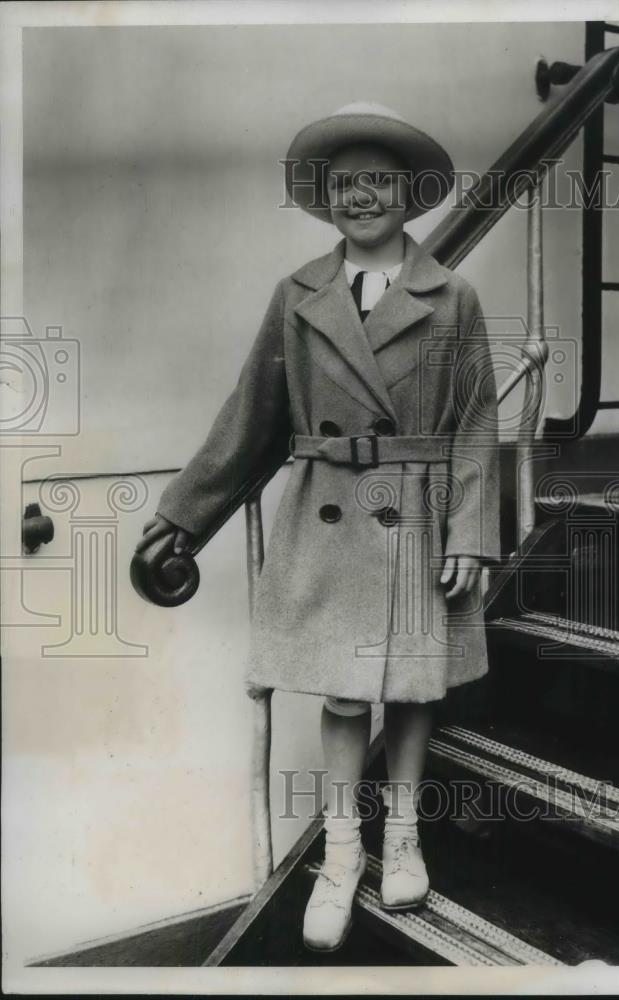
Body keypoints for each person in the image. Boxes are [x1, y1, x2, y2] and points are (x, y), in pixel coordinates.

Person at [135, 103, 500, 953]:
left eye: (377, 181)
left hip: (419, 510)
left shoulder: (452, 296)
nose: (360, 196)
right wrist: (183, 514)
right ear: (324, 199)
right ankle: (341, 851)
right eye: (344, 185)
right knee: (340, 691)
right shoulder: (298, 295)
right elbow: (252, 415)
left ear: (410, 195)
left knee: (413, 688)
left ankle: (403, 836)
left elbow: (477, 419)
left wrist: (473, 530)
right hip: (330, 510)